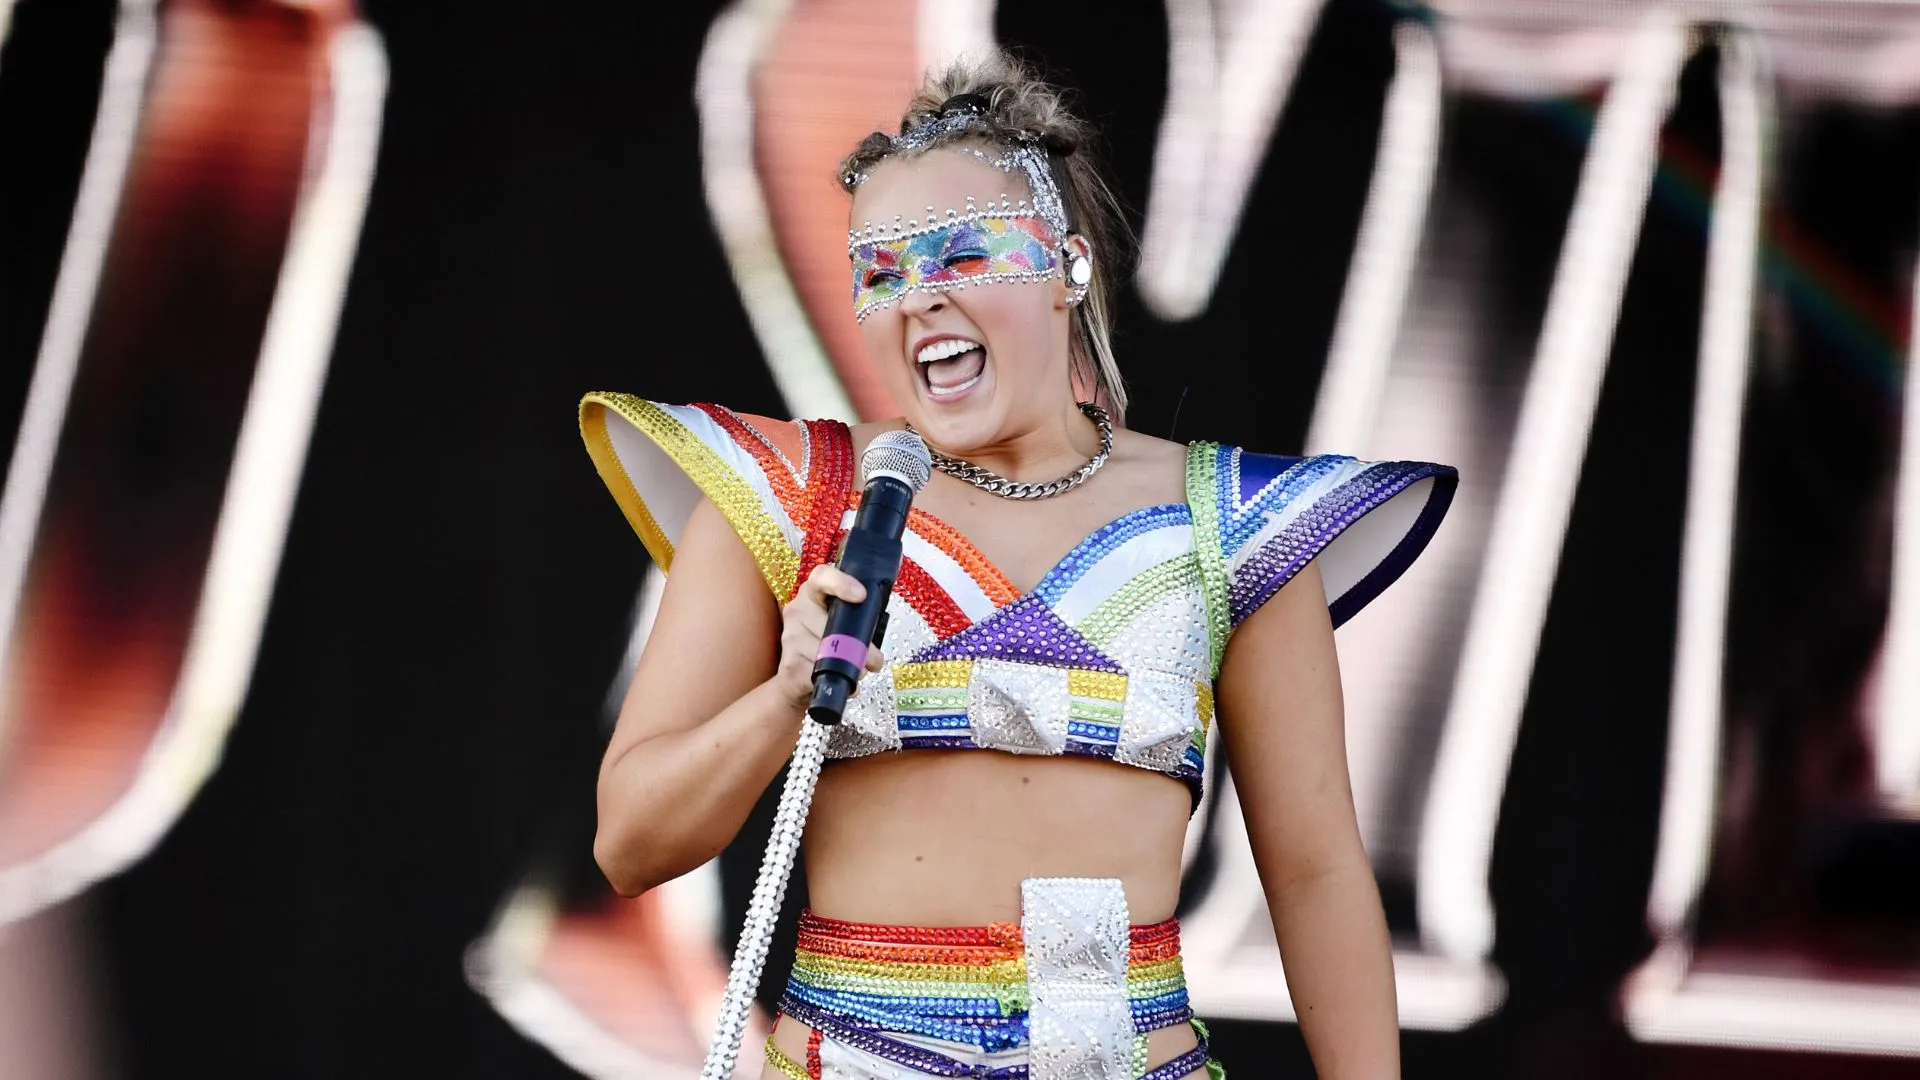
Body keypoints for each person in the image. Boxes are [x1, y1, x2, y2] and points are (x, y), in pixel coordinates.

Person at [580, 51, 1455, 1080]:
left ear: (1069, 268)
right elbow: (629, 845)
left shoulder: (1233, 521)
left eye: (960, 258)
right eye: (883, 272)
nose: (918, 304)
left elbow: (1313, 872)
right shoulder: (790, 499)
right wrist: (783, 696)